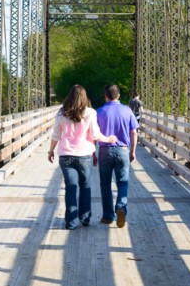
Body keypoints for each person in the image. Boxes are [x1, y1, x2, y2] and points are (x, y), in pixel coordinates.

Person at [48, 84, 117, 230]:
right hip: (84, 155)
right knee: (85, 186)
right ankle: (85, 218)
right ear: (84, 97)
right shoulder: (90, 113)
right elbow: (95, 135)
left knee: (70, 188)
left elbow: (56, 135)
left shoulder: (61, 113)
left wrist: (51, 150)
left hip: (66, 156)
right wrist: (109, 139)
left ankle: (71, 222)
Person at [95, 84, 138, 228]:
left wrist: (92, 153)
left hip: (104, 151)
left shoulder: (99, 112)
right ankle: (121, 207)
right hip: (123, 150)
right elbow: (134, 133)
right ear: (118, 95)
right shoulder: (127, 111)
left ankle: (108, 217)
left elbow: (94, 135)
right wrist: (133, 151)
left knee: (105, 184)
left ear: (105, 96)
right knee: (123, 182)